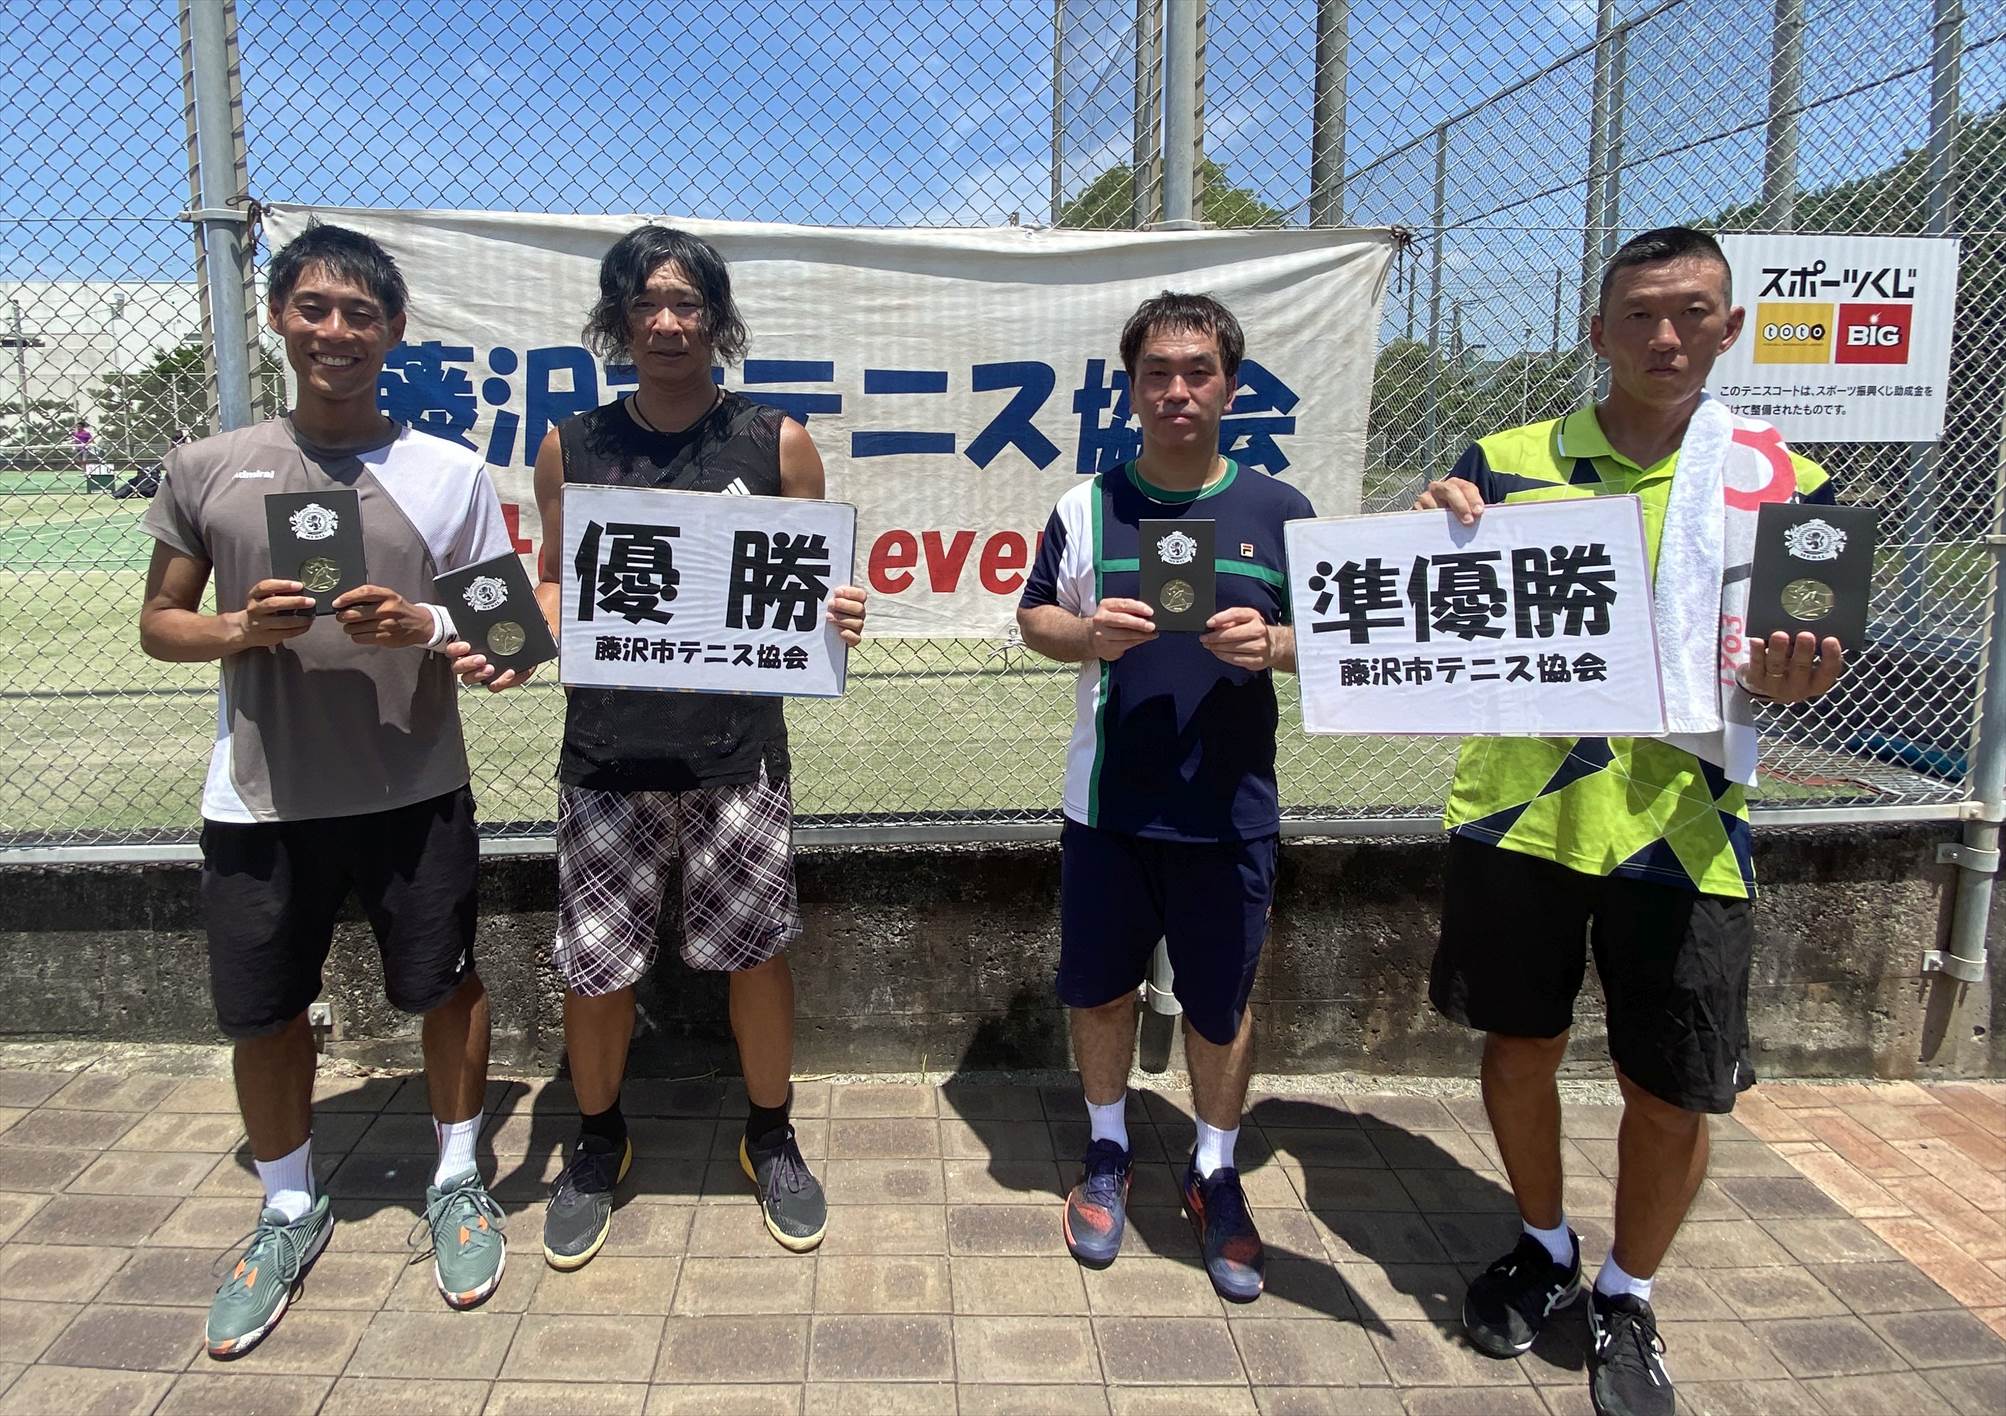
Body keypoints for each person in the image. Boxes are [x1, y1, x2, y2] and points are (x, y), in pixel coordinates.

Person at [1415, 226, 1846, 1416]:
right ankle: (1542, 1242)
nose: (1666, 335)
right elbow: (1434, 604)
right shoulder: (1502, 462)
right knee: (1519, 1047)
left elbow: (1811, 651)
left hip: (1688, 829)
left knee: (1673, 1089)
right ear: (1595, 331)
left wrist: (1804, 675)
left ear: (1730, 328)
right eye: (1641, 314)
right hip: (1518, 821)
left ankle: (1626, 1293)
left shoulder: (1785, 484)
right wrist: (1432, 524)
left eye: (1692, 311)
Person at [139, 223, 527, 1358]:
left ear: (395, 331)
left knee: (444, 987)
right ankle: (287, 1208)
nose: (336, 332)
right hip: (260, 801)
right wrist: (233, 628)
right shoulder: (207, 467)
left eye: (361, 314)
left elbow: (515, 634)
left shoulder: (449, 471)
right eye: (314, 308)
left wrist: (428, 623)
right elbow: (160, 623)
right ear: (277, 320)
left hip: (414, 791)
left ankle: (458, 1179)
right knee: (262, 1015)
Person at [484, 225, 866, 1270]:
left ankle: (770, 1132)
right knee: (596, 966)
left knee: (757, 953)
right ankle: (597, 1139)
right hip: (607, 752)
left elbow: (812, 577)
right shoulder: (574, 444)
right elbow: (557, 579)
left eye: (686, 302)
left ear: (715, 318)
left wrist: (836, 610)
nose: (665, 321)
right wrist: (520, 640)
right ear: (616, 320)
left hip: (737, 754)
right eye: (645, 302)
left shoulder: (774, 439)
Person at [1016, 292, 1311, 1301]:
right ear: (1128, 387)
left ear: (1230, 384)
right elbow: (1033, 621)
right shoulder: (1082, 505)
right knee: (1098, 989)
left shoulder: (1279, 510)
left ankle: (1213, 1170)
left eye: (1196, 371)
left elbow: (1325, 641)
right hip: (1106, 806)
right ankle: (1106, 1152)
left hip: (1229, 811)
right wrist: (1086, 633)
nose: (1176, 389)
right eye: (1156, 373)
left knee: (1219, 1006)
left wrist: (1269, 645)